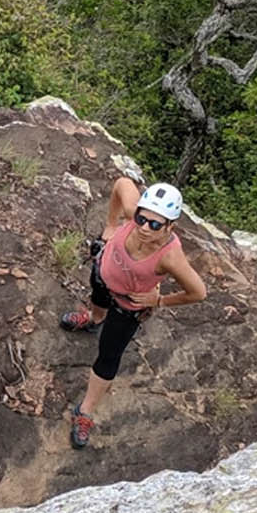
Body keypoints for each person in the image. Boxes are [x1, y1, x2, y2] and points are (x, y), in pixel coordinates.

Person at [58, 178, 207, 450]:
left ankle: (86, 410)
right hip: (103, 275)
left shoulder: (170, 257)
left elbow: (198, 292)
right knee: (97, 301)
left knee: (109, 354)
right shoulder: (132, 214)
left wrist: (159, 300)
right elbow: (121, 183)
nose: (143, 228)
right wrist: (111, 225)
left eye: (154, 224)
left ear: (170, 226)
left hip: (128, 305)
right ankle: (94, 320)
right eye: (141, 218)